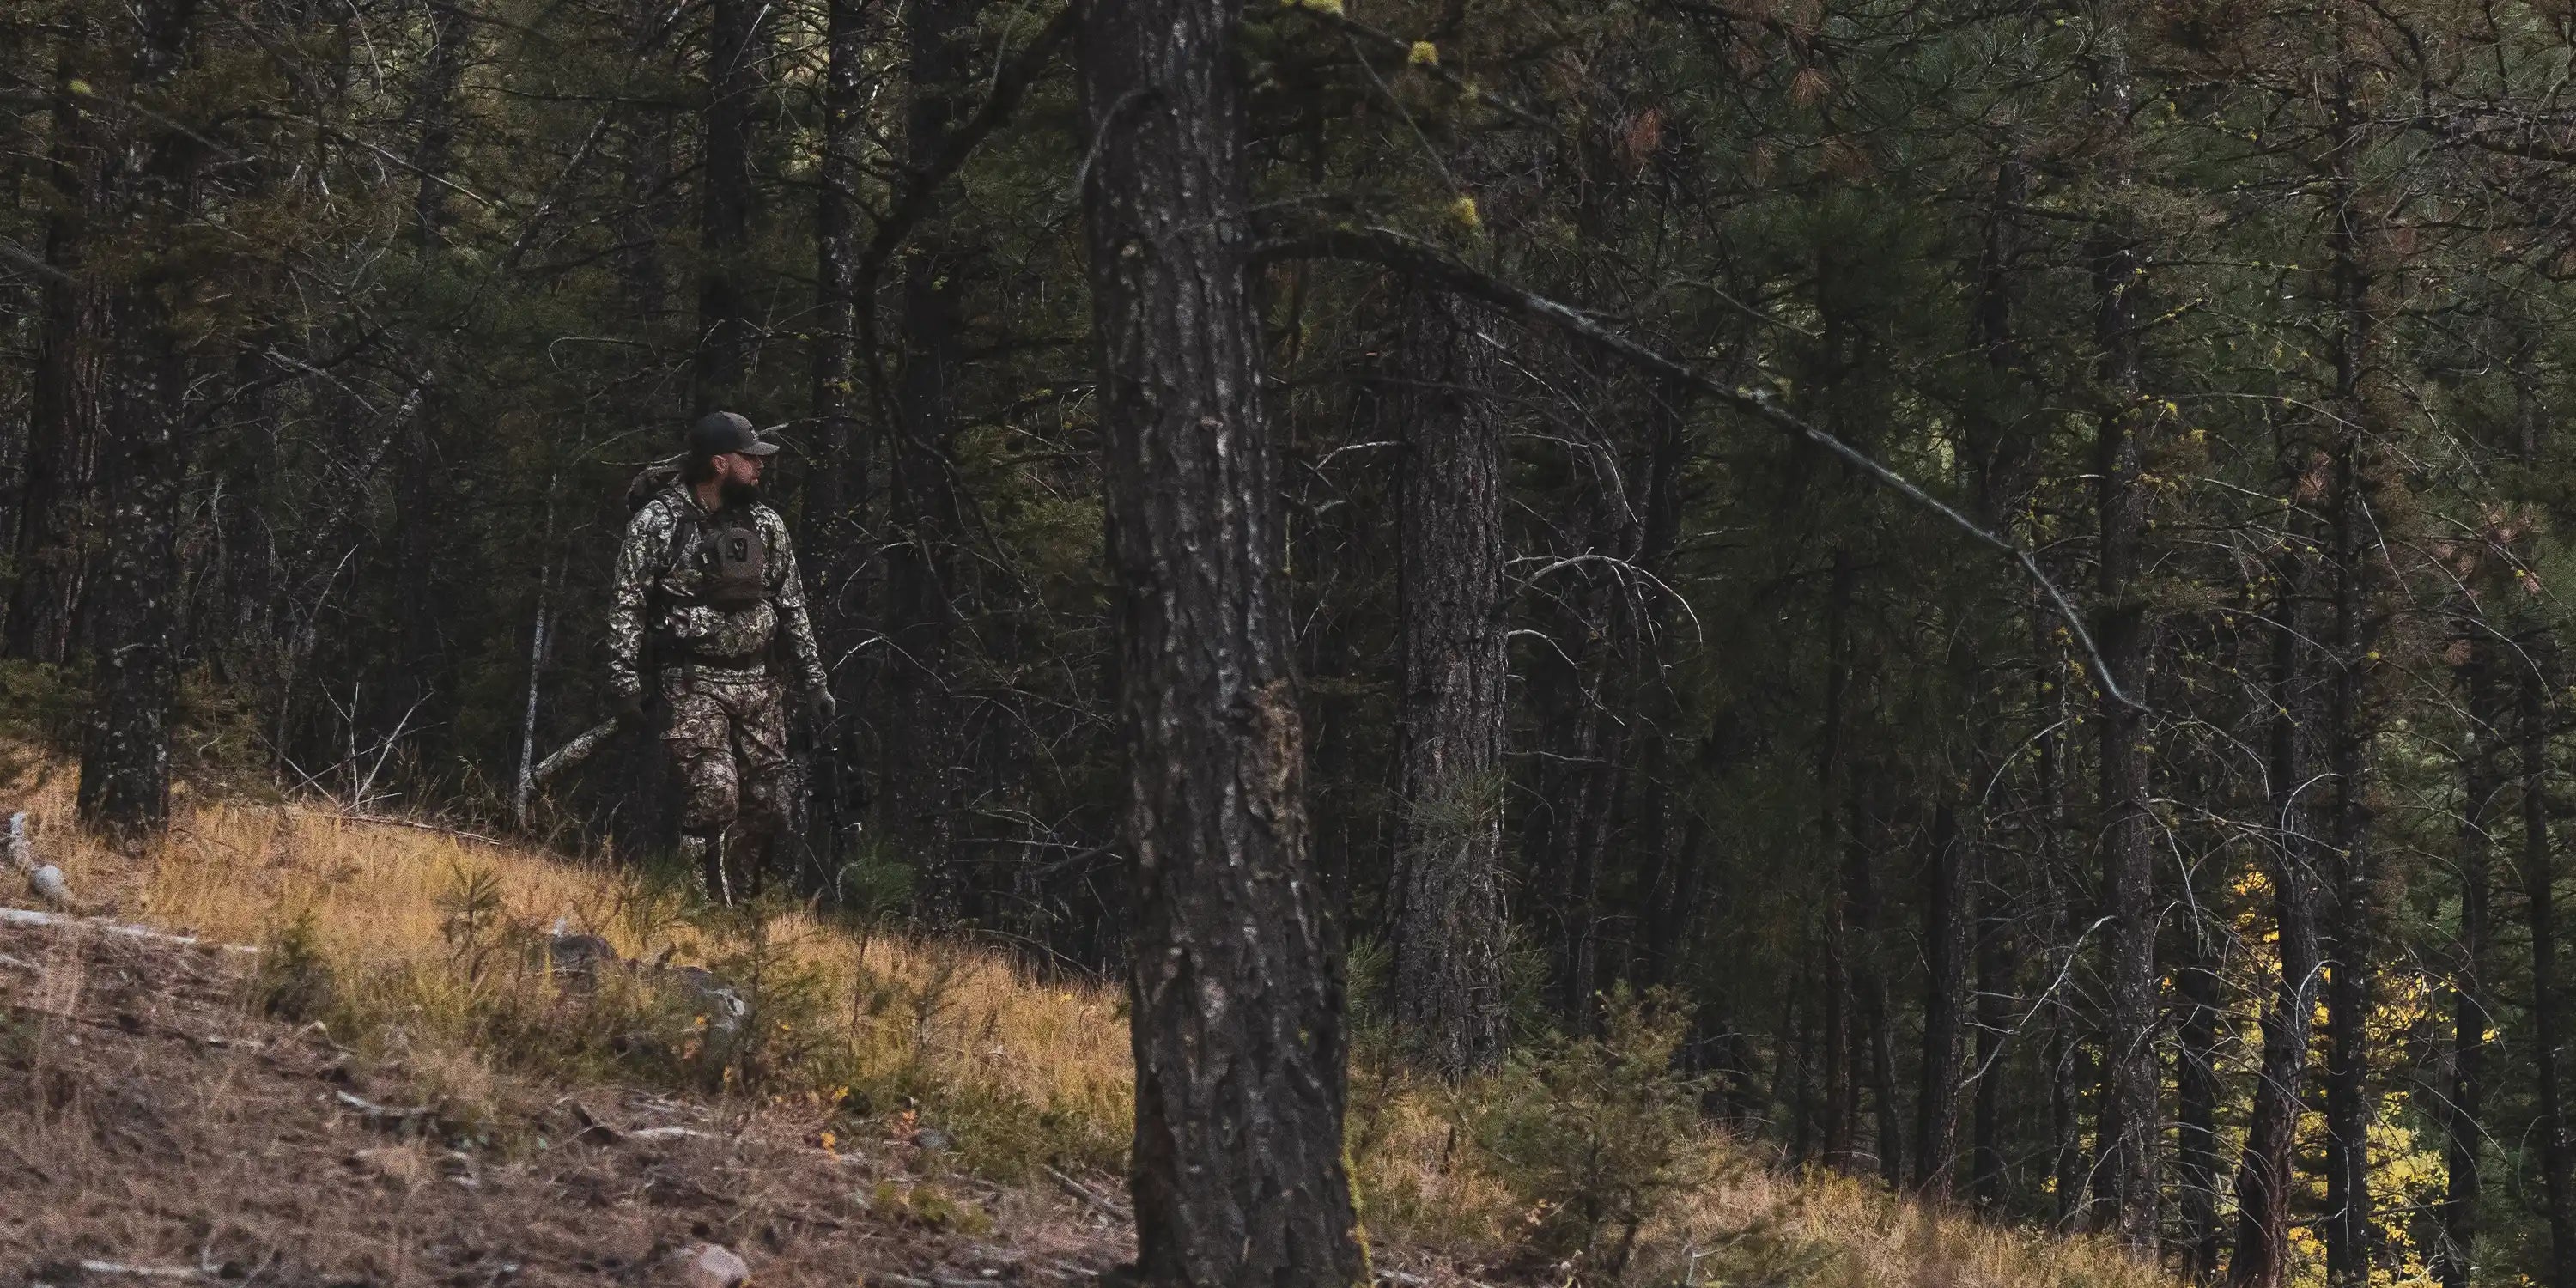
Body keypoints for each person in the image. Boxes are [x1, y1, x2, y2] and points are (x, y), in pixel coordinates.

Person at [606, 410, 835, 902]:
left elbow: (791, 604)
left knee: (773, 803)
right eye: (749, 458)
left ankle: (741, 903)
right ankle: (695, 899)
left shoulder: (767, 525)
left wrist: (814, 682)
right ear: (719, 463)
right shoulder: (659, 523)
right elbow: (629, 602)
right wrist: (624, 683)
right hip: (691, 682)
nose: (760, 467)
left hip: (759, 685)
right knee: (715, 793)